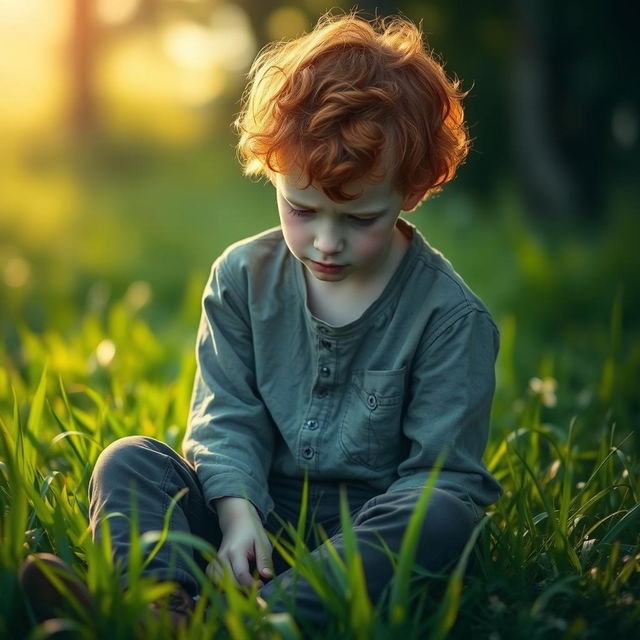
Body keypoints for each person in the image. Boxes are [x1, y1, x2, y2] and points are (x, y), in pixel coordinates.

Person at [20, 10, 501, 633]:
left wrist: (351, 552)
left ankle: (249, 622)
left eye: (358, 220)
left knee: (444, 513)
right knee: (128, 460)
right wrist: (237, 512)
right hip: (246, 514)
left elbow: (440, 477)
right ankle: (159, 607)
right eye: (303, 210)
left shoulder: (449, 319)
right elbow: (227, 414)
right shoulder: (242, 277)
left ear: (410, 191)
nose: (326, 242)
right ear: (272, 170)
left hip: (360, 542)